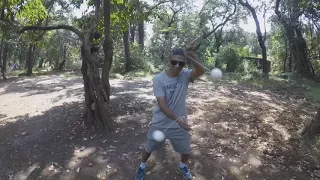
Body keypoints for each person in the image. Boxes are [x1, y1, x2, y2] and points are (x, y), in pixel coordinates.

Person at [135, 40, 205, 180]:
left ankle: (182, 166)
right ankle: (142, 166)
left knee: (186, 150)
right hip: (161, 122)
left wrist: (191, 55)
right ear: (169, 60)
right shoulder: (159, 79)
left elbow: (201, 70)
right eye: (174, 62)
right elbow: (162, 105)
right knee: (148, 148)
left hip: (179, 124)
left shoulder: (185, 76)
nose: (177, 66)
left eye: (181, 63)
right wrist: (179, 120)